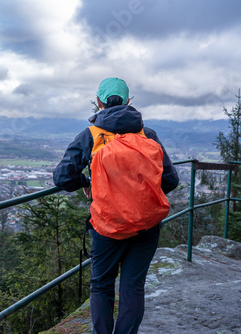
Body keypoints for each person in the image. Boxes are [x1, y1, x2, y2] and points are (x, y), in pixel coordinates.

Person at [53, 78, 179, 334]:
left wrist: (87, 182)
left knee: (101, 286)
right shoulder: (148, 134)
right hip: (145, 226)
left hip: (107, 226)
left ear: (99, 102)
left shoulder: (91, 135)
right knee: (132, 287)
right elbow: (171, 180)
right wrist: (140, 197)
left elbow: (63, 178)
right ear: (128, 102)